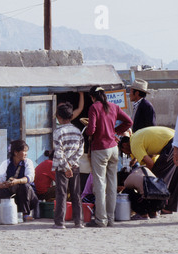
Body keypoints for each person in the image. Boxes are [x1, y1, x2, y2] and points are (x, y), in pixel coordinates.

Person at [85, 86, 133, 228]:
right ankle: (111, 219)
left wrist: (88, 130)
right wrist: (114, 132)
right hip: (113, 149)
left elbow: (92, 129)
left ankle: (101, 219)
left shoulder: (94, 107)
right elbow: (129, 122)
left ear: (93, 97)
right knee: (112, 185)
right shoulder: (114, 106)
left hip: (100, 149)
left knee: (100, 185)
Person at [119, 126, 178, 215]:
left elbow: (150, 164)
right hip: (174, 139)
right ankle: (168, 208)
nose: (127, 154)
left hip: (171, 144)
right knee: (174, 178)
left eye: (124, 152)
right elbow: (151, 154)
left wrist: (145, 176)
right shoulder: (135, 136)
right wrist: (135, 159)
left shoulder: (134, 145)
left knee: (156, 180)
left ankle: (155, 208)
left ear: (124, 145)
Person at [52, 102, 84, 229]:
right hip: (75, 166)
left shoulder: (58, 132)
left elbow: (59, 152)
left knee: (61, 194)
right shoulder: (77, 132)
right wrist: (71, 164)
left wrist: (66, 167)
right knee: (76, 194)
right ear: (71, 116)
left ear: (58, 117)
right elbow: (80, 151)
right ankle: (79, 222)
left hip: (62, 168)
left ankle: (60, 222)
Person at [0, 140, 38, 221]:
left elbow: (30, 177)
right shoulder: (5, 164)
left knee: (24, 186)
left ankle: (25, 214)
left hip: (28, 198)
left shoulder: (28, 162)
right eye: (24, 151)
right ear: (16, 152)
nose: (26, 154)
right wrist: (3, 184)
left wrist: (17, 181)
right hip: (13, 199)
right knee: (0, 191)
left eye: (26, 151)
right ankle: (0, 213)